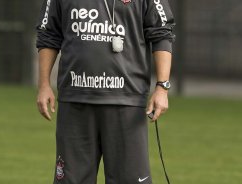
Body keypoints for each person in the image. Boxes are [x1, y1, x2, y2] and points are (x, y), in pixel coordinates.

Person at [36, 0, 175, 183]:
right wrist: (44, 84)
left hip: (126, 101)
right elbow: (48, 34)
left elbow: (161, 33)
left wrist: (162, 87)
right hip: (76, 99)